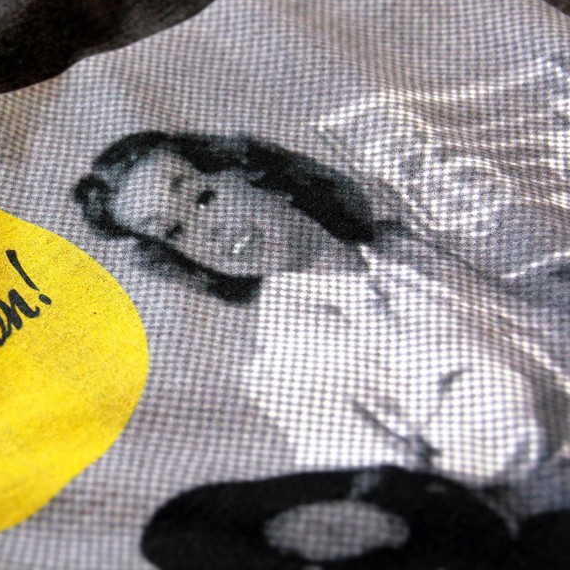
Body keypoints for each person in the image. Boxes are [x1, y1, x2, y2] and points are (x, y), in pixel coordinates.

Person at [75, 130, 570, 501]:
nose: (210, 233)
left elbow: (531, 321)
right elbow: (399, 510)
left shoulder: (399, 246)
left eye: (204, 196)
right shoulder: (290, 368)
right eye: (174, 231)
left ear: (258, 176)